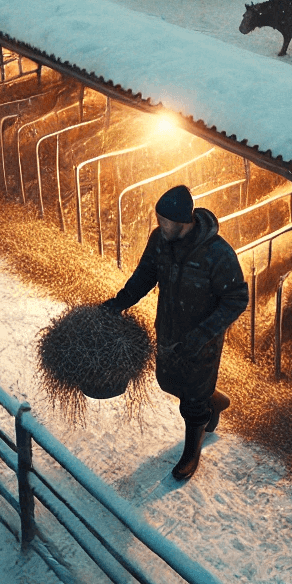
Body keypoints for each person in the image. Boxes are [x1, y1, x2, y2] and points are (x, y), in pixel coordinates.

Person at [102, 184, 248, 480]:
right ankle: (215, 400)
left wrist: (202, 335)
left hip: (201, 341)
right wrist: (120, 302)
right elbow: (145, 274)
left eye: (165, 221)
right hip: (168, 329)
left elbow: (237, 298)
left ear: (184, 221)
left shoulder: (217, 254)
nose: (160, 225)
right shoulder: (159, 241)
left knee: (192, 399)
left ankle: (191, 453)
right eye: (159, 219)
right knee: (168, 382)